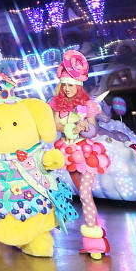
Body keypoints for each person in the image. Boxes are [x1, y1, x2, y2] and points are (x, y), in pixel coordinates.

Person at [50, 50, 110, 259]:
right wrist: (71, 128)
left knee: (85, 194)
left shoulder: (86, 105)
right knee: (74, 193)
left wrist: (84, 127)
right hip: (66, 153)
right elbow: (57, 125)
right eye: (64, 84)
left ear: (78, 85)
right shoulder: (57, 105)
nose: (66, 89)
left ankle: (95, 242)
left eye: (70, 85)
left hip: (85, 153)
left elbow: (93, 131)